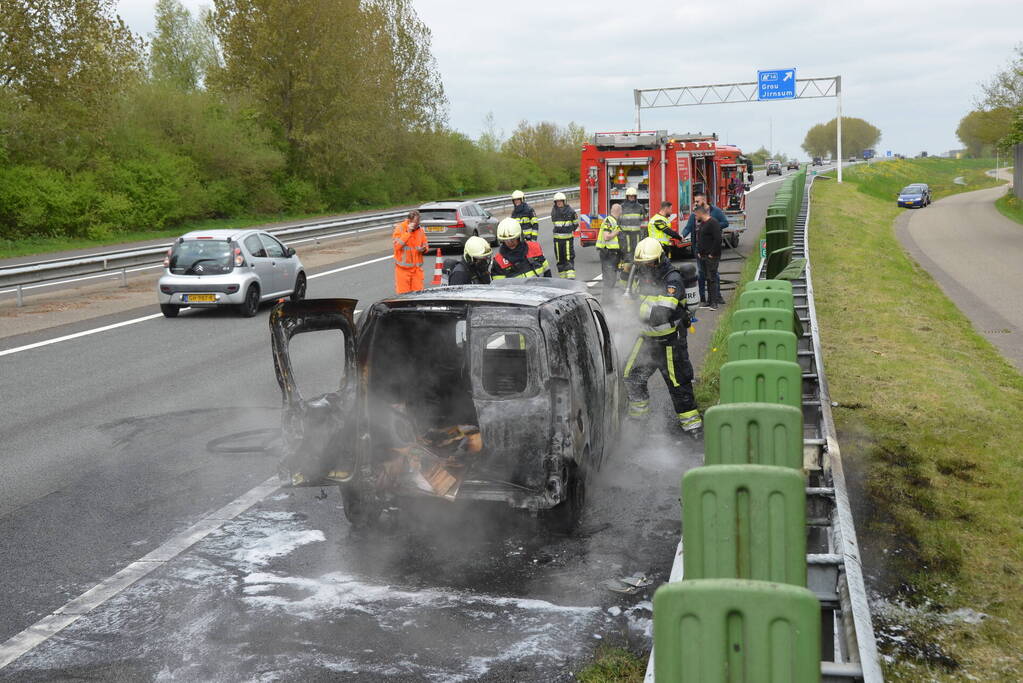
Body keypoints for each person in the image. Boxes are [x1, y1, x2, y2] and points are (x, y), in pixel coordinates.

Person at [624, 238, 702, 434]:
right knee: (631, 376)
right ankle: (638, 420)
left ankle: (692, 426)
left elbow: (661, 314)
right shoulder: (641, 273)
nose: (645, 267)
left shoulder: (672, 279)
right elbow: (631, 294)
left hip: (670, 341)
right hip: (646, 340)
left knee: (679, 384)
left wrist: (634, 308)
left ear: (658, 259)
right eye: (641, 264)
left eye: (648, 263)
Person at [681, 192, 729, 305]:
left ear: (704, 200)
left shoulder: (715, 211)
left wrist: (713, 227)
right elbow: (688, 227)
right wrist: (682, 235)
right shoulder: (694, 214)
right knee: (701, 274)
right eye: (695, 201)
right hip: (699, 249)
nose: (695, 203)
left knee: (713, 274)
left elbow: (725, 223)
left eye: (697, 201)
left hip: (711, 248)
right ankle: (702, 297)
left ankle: (717, 296)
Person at [694, 204, 724, 309]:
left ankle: (714, 303)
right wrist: (699, 251)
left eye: (695, 215)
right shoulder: (702, 224)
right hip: (703, 255)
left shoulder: (713, 223)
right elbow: (701, 238)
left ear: (700, 213)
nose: (695, 217)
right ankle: (709, 301)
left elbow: (718, 239)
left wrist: (712, 253)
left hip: (711, 256)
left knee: (712, 278)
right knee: (707, 278)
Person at [392, 209, 429, 294]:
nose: (417, 225)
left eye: (418, 223)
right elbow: (397, 246)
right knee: (404, 296)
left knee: (418, 295)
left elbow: (425, 244)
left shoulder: (420, 230)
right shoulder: (400, 228)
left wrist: (424, 249)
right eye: (415, 223)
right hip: (403, 270)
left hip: (416, 270)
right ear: (409, 221)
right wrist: (408, 233)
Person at [596, 203, 622, 299]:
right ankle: (607, 302)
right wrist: (617, 232)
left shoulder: (614, 221)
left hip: (612, 253)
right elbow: (606, 237)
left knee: (611, 278)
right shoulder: (609, 220)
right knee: (609, 279)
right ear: (619, 211)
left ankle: (609, 300)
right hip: (608, 253)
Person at [550, 191, 578, 279]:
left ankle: (571, 278)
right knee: (559, 259)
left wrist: (569, 230)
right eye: (557, 202)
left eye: (560, 201)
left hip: (567, 240)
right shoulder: (554, 211)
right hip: (557, 241)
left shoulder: (571, 211)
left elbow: (576, 224)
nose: (559, 203)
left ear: (564, 201)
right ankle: (563, 279)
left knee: (568, 258)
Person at [619, 187, 646, 263]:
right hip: (625, 232)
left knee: (636, 248)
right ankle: (627, 263)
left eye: (633, 196)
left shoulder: (640, 207)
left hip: (636, 232)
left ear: (635, 197)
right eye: (630, 196)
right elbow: (618, 220)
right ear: (627, 197)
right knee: (627, 248)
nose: (632, 197)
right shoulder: (622, 207)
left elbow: (642, 219)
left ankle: (636, 263)